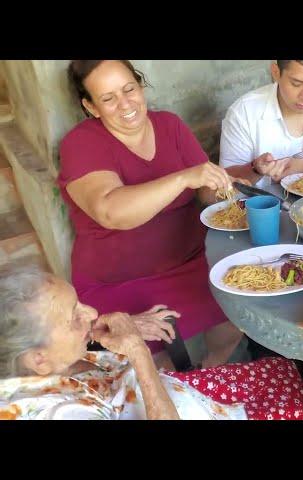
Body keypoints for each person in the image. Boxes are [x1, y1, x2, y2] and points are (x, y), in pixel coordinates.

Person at [58, 60, 247, 370]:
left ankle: (208, 377)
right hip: (118, 281)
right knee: (153, 366)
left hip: (191, 263)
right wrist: (183, 177)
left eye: (129, 89)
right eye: (108, 98)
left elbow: (204, 189)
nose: (125, 103)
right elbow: (111, 211)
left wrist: (229, 191)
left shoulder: (169, 125)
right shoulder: (82, 143)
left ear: (140, 86)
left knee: (237, 319)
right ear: (91, 107)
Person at [0, 266, 303, 420]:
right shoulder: (60, 414)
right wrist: (137, 350)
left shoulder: (48, 363)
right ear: (38, 360)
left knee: (281, 370)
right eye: (74, 317)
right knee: (292, 400)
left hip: (180, 393)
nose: (92, 313)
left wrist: (114, 328)